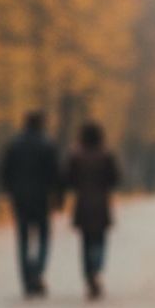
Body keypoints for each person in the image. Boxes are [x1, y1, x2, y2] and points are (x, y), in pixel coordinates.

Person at [0, 110, 62, 296]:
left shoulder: (14, 145)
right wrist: (57, 197)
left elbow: (4, 170)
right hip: (41, 198)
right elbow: (54, 173)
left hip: (20, 198)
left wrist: (10, 190)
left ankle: (27, 278)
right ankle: (37, 272)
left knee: (24, 239)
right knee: (43, 237)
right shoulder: (47, 145)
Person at [64, 121, 120, 299]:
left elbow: (69, 180)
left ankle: (89, 274)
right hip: (101, 203)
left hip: (83, 203)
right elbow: (115, 178)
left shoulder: (76, 156)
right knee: (100, 240)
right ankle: (97, 269)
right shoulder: (106, 155)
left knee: (86, 241)